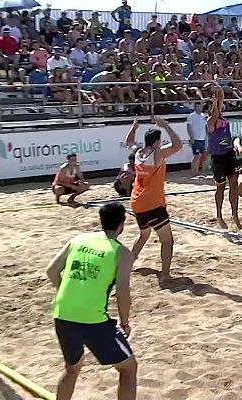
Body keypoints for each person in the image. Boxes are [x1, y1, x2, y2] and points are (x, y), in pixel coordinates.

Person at [46, 202, 137, 400]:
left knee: (72, 368)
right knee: (129, 368)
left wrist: (68, 293)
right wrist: (125, 322)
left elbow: (52, 271)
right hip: (93, 320)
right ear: (122, 224)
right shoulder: (122, 253)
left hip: (62, 312)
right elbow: (122, 292)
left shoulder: (79, 239)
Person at [126, 117, 183, 284]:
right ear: (157, 142)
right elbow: (178, 145)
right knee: (167, 241)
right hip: (153, 203)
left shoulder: (138, 153)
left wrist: (134, 127)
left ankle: (127, 264)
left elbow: (129, 141)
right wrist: (166, 125)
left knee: (144, 235)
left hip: (137, 202)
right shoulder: (157, 154)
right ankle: (165, 276)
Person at [207, 89, 241, 230]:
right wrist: (215, 103)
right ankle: (219, 215)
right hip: (218, 157)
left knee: (234, 184)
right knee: (220, 187)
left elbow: (220, 102)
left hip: (228, 154)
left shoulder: (222, 119)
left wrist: (219, 91)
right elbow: (215, 112)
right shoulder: (210, 121)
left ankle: (235, 214)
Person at [186, 101, 208, 177]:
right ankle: (194, 172)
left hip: (202, 138)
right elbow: (189, 127)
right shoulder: (191, 116)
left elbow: (205, 127)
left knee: (203, 156)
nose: (199, 108)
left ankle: (200, 172)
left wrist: (207, 136)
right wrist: (191, 137)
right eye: (197, 106)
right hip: (196, 139)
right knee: (196, 156)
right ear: (194, 107)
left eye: (200, 106)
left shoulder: (203, 115)